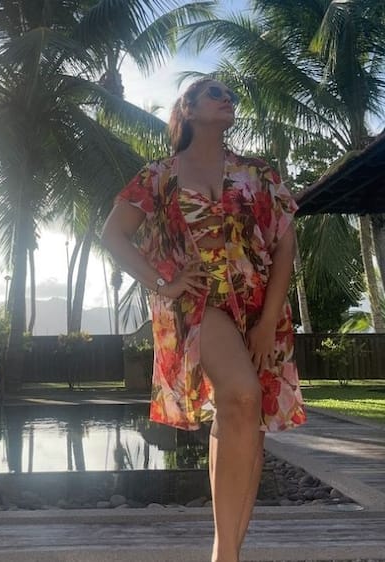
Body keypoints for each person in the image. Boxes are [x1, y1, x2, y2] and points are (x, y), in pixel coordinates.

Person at [101, 78, 307, 562]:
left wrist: (267, 322)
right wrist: (163, 283)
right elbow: (112, 235)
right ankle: (225, 555)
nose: (227, 98)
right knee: (243, 395)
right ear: (188, 109)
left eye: (231, 95)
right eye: (214, 93)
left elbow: (285, 246)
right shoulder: (159, 176)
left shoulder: (258, 172)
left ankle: (226, 550)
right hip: (198, 304)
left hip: (260, 308)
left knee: (246, 418)